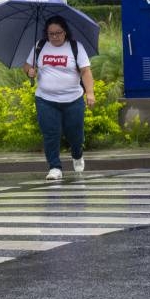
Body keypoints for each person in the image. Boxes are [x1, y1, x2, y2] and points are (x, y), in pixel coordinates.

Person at [23, 15, 96, 181]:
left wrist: (90, 93)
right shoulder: (39, 46)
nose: (55, 36)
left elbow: (85, 71)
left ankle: (77, 155)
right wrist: (29, 71)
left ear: (65, 32)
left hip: (73, 99)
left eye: (58, 33)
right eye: (51, 34)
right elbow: (26, 65)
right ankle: (55, 167)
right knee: (50, 133)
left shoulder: (76, 47)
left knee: (75, 133)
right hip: (45, 99)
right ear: (46, 34)